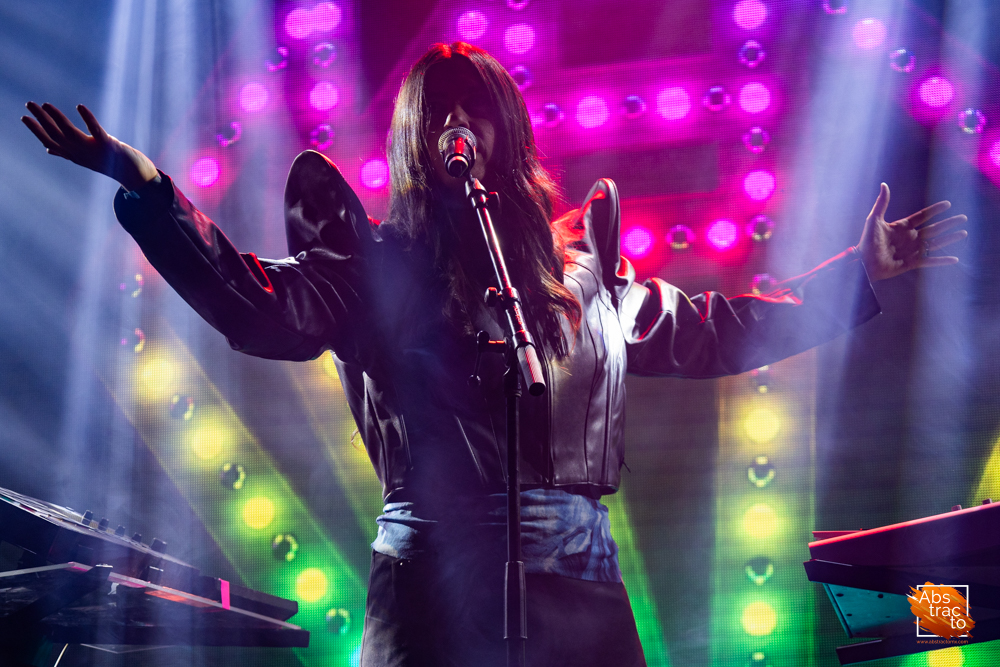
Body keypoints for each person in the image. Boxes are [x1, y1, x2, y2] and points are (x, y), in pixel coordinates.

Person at [23, 42, 966, 667]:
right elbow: (258, 304)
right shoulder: (373, 268)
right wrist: (147, 188)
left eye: (473, 111)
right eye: (437, 114)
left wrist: (854, 274)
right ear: (414, 141)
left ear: (505, 133)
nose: (456, 129)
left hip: (581, 590)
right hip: (434, 584)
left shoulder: (582, 274)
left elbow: (717, 328)